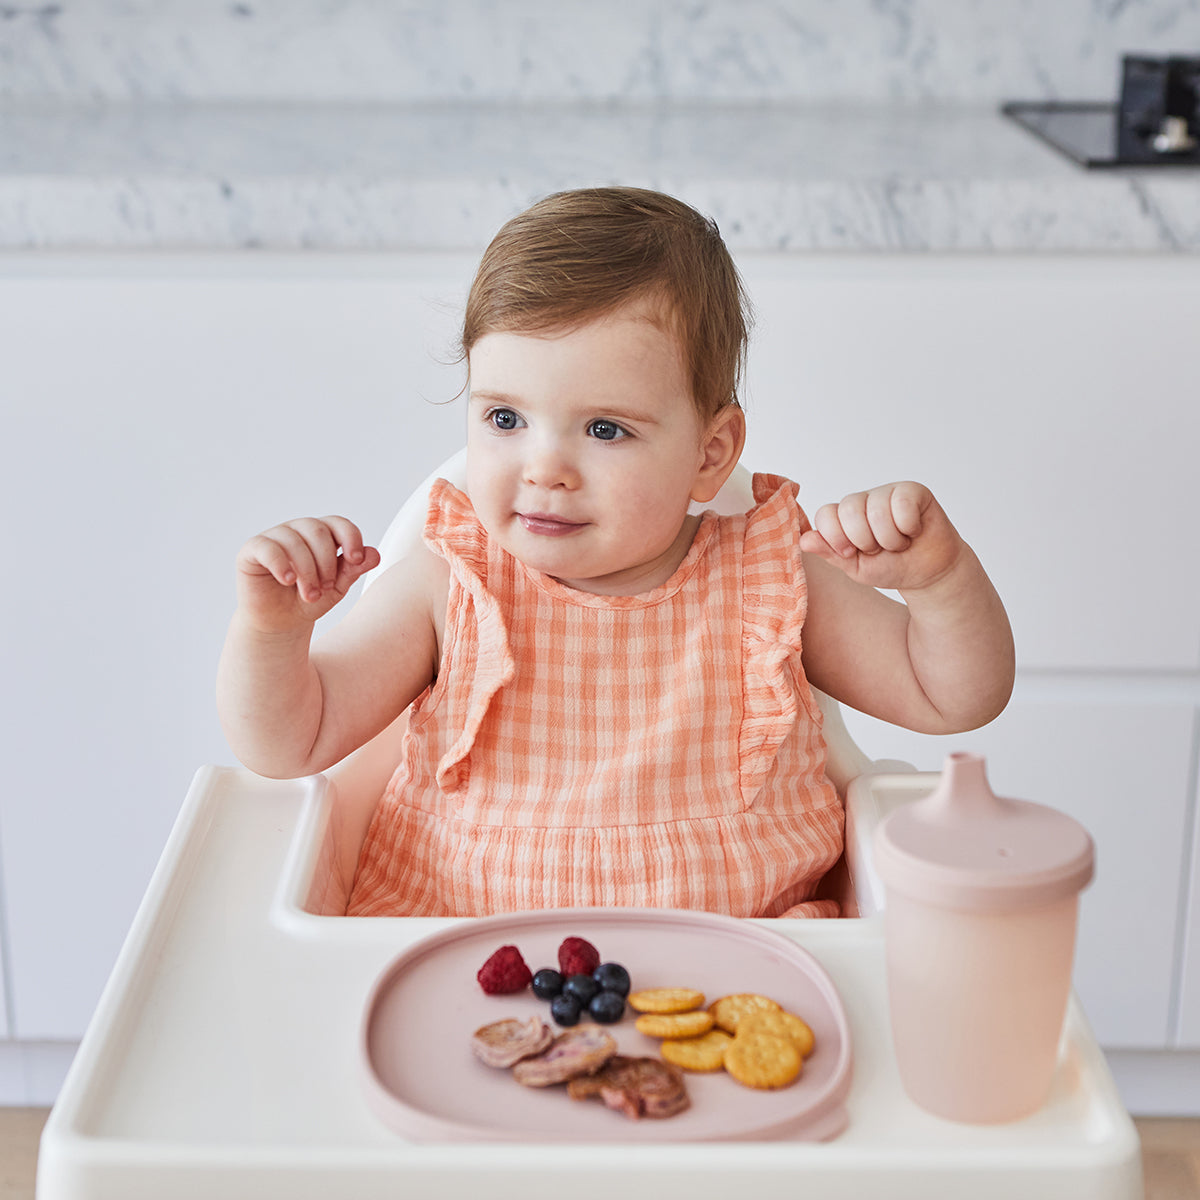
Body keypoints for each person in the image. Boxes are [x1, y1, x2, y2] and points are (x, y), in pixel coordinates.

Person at [217, 186, 1014, 919]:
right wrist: (273, 632)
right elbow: (293, 742)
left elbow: (952, 698)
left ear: (711, 454)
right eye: (504, 419)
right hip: (463, 955)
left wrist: (939, 580)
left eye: (605, 429)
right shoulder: (448, 578)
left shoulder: (770, 579)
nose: (544, 469)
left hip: (737, 977)